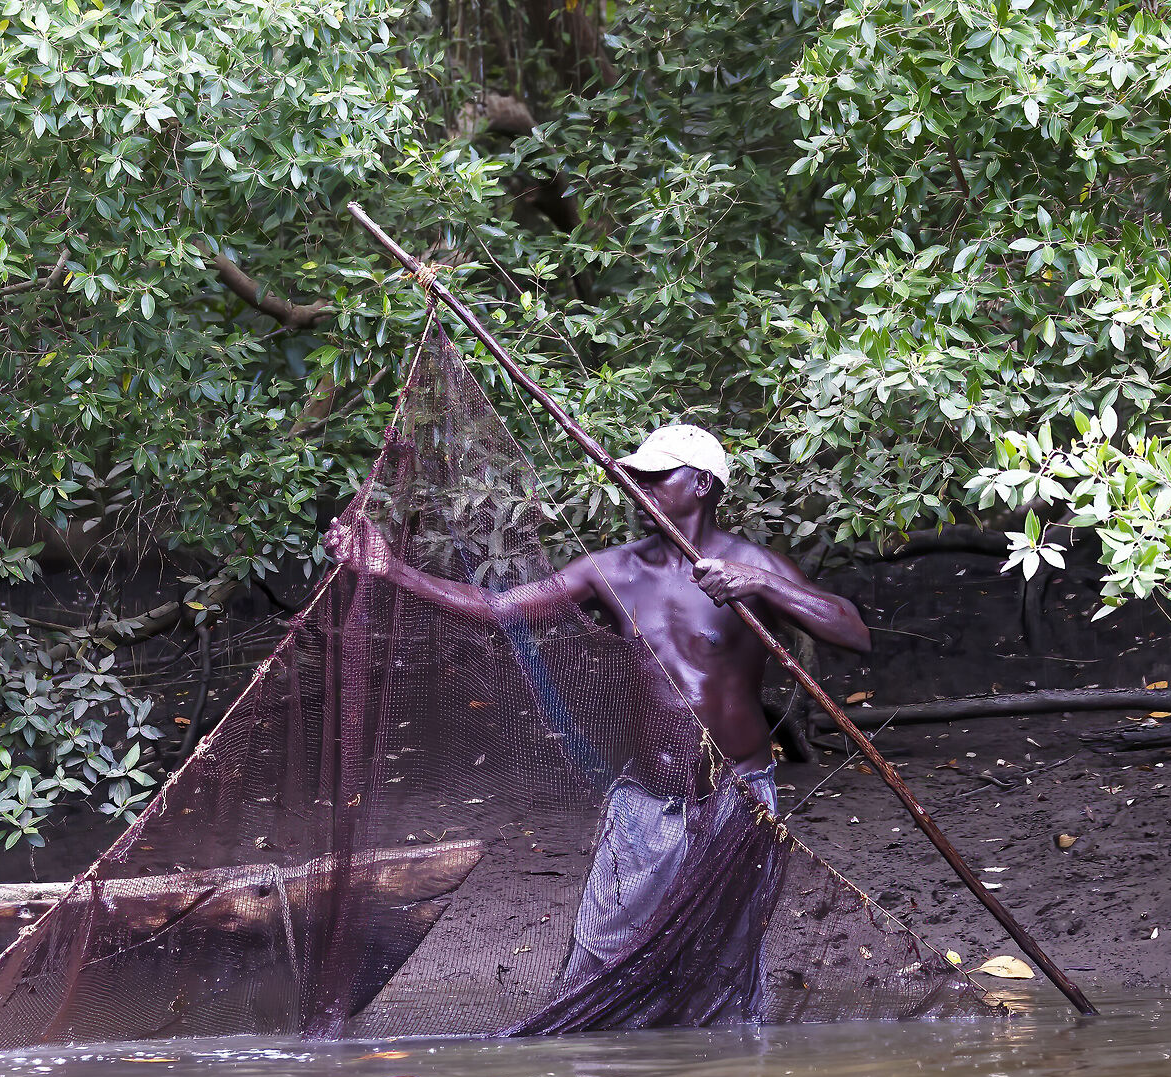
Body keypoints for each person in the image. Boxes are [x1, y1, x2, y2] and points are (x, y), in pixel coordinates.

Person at [327, 422, 869, 994]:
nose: (642, 490)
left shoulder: (752, 565)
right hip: (648, 798)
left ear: (705, 485)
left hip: (738, 792)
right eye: (636, 478)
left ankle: (723, 1067)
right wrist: (394, 571)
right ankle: (605, 1068)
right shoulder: (613, 570)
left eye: (659, 478)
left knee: (728, 952)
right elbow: (497, 609)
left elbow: (853, 632)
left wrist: (758, 582)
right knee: (602, 954)